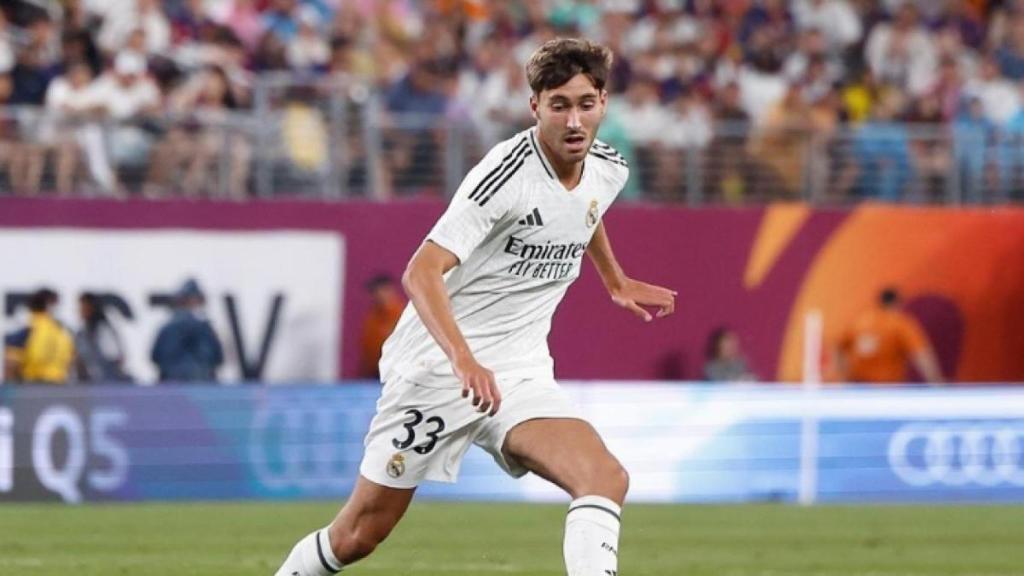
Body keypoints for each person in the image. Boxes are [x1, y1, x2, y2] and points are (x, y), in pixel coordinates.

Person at [273, 38, 676, 576]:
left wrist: (615, 279)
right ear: (535, 107)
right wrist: (463, 359)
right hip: (439, 369)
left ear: (604, 101)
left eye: (585, 103)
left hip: (519, 371)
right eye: (559, 105)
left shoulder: (608, 167)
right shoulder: (505, 176)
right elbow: (420, 270)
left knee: (604, 478)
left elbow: (585, 208)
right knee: (358, 535)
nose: (574, 120)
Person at [835, 287, 944, 384]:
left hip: (859, 386)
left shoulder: (859, 321)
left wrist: (844, 377)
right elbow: (921, 354)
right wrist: (935, 380)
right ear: (897, 303)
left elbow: (838, 348)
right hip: (887, 389)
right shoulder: (900, 323)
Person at [150, 278, 224, 383]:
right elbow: (218, 359)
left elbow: (155, 357)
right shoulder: (205, 329)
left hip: (178, 389)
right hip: (197, 388)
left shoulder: (168, 328)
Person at [3, 288, 74, 384]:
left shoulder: (27, 331)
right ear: (49, 304)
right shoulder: (63, 333)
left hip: (34, 390)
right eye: (56, 304)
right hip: (50, 389)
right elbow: (10, 366)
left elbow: (10, 368)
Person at [75, 292, 131, 384]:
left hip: (104, 384)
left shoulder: (103, 330)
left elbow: (115, 357)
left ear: (92, 307)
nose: (80, 310)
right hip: (89, 384)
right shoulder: (83, 332)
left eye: (83, 306)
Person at [358, 274, 404, 379]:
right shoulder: (373, 317)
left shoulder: (401, 315)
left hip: (395, 371)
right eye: (375, 292)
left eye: (381, 290)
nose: (378, 295)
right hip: (375, 372)